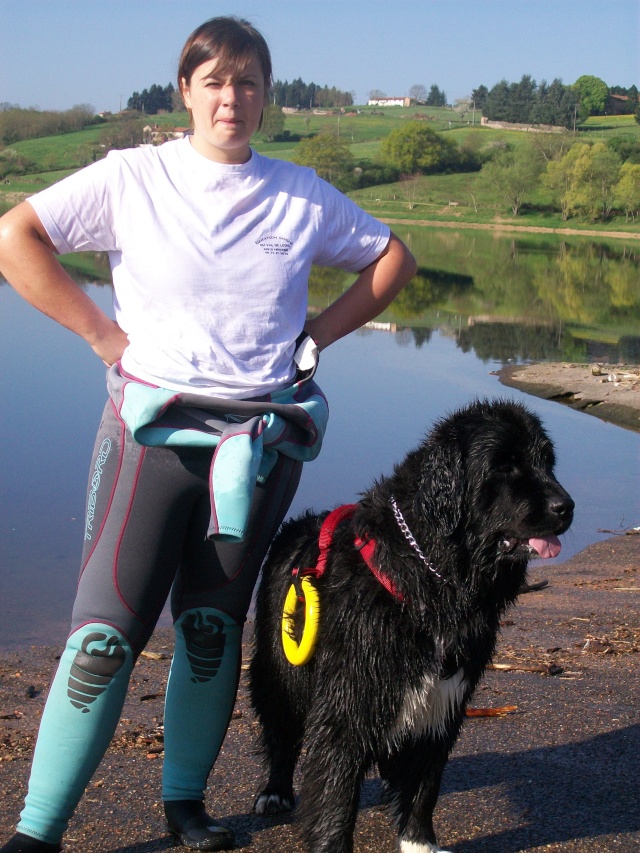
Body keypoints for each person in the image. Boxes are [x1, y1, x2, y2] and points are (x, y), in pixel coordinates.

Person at [0, 16, 416, 853]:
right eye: (215, 81)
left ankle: (184, 802)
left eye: (249, 81)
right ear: (184, 90)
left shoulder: (300, 192)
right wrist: (102, 337)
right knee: (103, 636)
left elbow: (392, 259)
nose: (233, 97)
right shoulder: (131, 177)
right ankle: (37, 831)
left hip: (259, 449)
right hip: (150, 440)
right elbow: (17, 236)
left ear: (267, 96)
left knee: (210, 625)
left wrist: (316, 338)